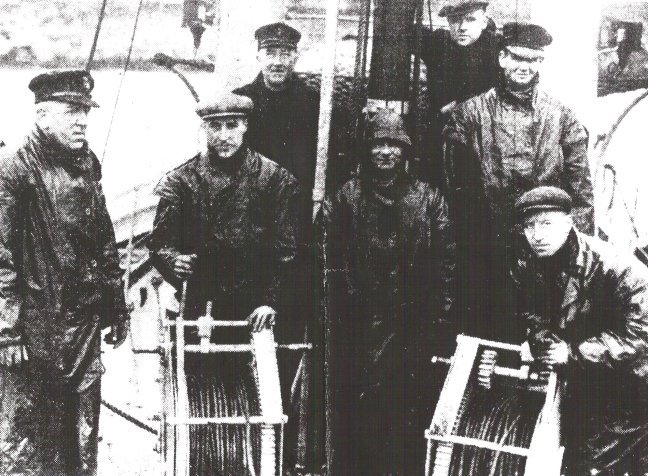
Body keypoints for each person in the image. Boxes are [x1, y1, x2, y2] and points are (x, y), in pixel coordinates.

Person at [0, 70, 130, 475]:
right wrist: (7, 331)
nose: (82, 121)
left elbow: (103, 238)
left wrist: (117, 306)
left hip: (84, 326)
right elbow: (0, 258)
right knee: (28, 439)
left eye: (85, 112)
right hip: (35, 330)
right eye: (72, 112)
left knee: (82, 437)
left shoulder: (87, 163)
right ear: (42, 116)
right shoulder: (15, 172)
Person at [443, 22, 594, 342]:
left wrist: (578, 251)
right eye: (517, 57)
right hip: (487, 249)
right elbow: (454, 189)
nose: (525, 66)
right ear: (502, 58)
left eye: (533, 60)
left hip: (545, 252)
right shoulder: (470, 114)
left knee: (539, 341)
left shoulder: (562, 116)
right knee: (484, 336)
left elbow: (581, 191)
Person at [325, 109, 455, 476]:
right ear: (366, 150)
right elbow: (328, 256)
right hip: (358, 323)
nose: (385, 153)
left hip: (412, 324)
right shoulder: (346, 197)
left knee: (405, 410)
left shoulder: (429, 199)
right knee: (357, 410)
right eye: (378, 144)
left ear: (406, 152)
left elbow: (446, 264)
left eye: (394, 145)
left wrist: (440, 320)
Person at [512, 186, 648, 475]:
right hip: (585, 380)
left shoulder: (614, 266)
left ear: (568, 222)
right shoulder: (530, 263)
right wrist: (543, 342)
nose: (537, 235)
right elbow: (531, 314)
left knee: (596, 464)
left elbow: (641, 334)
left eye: (546, 223)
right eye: (529, 226)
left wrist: (573, 354)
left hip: (631, 386)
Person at [418, 0, 500, 186]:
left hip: (482, 139)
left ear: (484, 22)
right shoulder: (439, 43)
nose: (462, 27)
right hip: (439, 137)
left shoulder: (496, 52)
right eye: (455, 20)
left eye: (470, 19)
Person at [233, 22, 320, 194]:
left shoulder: (313, 102)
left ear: (295, 58)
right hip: (250, 198)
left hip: (297, 197)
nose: (278, 62)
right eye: (270, 54)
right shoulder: (240, 100)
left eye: (285, 55)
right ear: (259, 57)